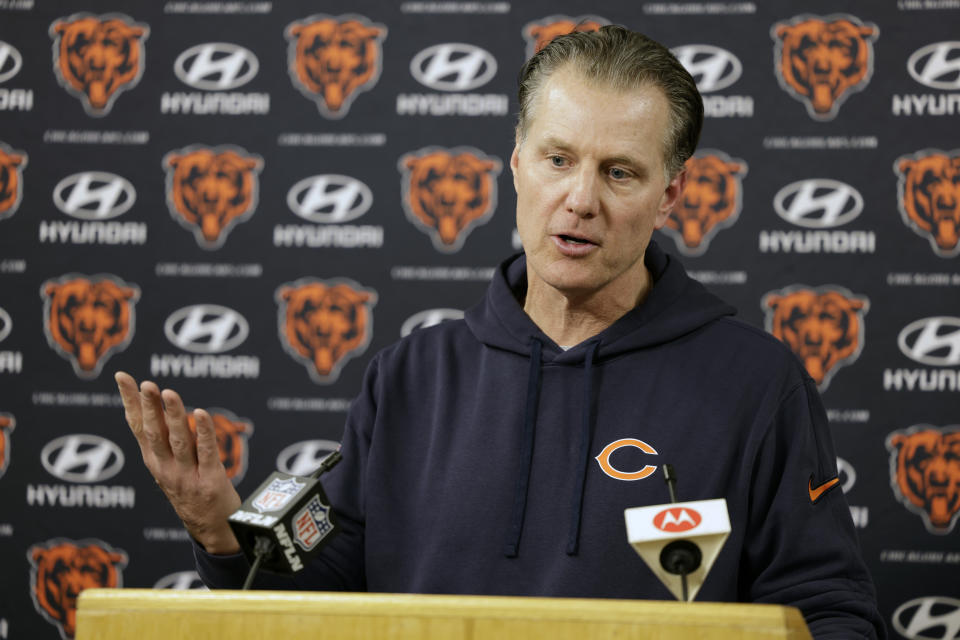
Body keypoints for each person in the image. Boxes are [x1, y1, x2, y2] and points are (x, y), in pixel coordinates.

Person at [116, 26, 885, 639]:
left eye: (620, 172)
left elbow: (830, 612)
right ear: (517, 164)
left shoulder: (755, 383)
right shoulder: (408, 378)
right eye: (558, 159)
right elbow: (323, 604)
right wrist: (217, 530)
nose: (580, 199)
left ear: (671, 192)